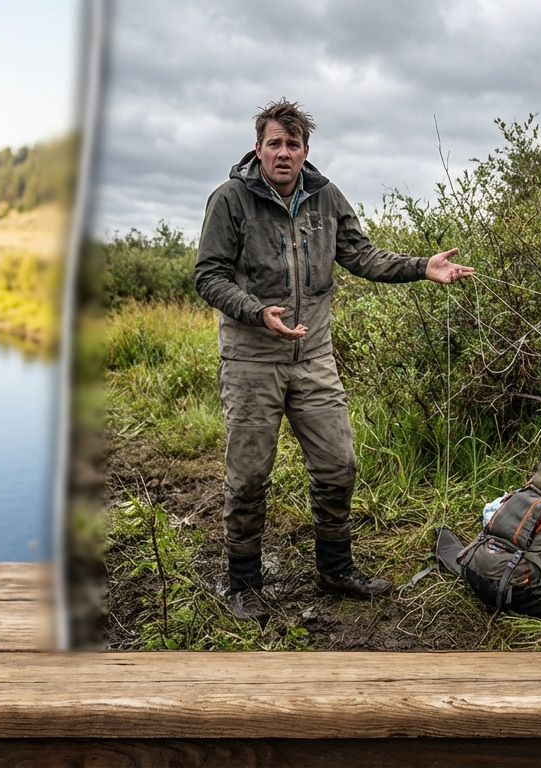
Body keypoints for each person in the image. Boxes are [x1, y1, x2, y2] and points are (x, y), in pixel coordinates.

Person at [194, 99, 474, 621]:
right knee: (249, 475)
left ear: (305, 151)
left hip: (313, 355)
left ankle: (335, 568)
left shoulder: (326, 197)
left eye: (293, 144)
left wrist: (422, 267)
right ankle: (243, 583)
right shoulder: (230, 200)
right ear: (258, 148)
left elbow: (362, 256)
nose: (283, 153)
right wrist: (257, 312)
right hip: (251, 358)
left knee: (338, 465)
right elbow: (207, 275)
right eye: (274, 143)